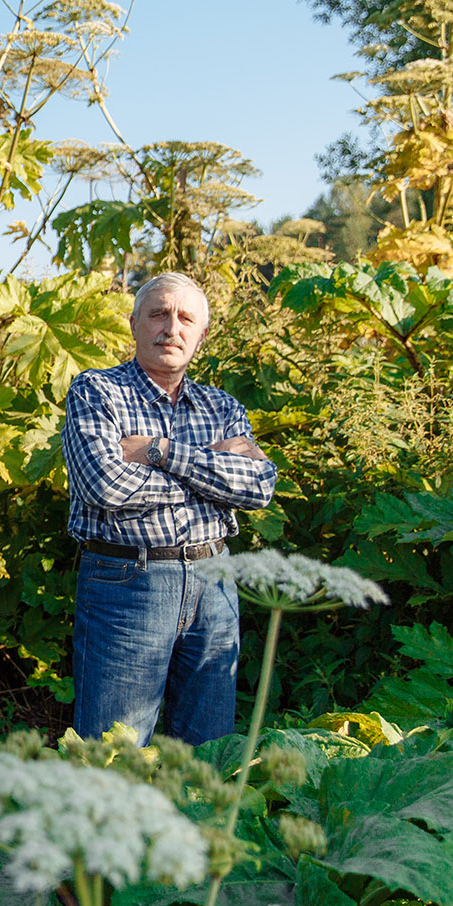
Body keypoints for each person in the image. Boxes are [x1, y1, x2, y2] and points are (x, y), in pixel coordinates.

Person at [58, 271, 276, 746]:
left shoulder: (223, 407)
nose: (170, 328)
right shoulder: (97, 392)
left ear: (202, 333)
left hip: (215, 582)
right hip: (127, 585)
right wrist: (213, 476)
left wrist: (161, 451)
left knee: (207, 748)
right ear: (134, 323)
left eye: (185, 318)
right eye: (158, 314)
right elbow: (104, 486)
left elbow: (260, 487)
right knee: (114, 751)